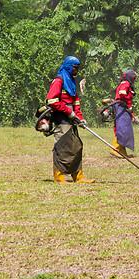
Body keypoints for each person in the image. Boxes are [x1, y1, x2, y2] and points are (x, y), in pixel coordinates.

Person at [45, 56, 93, 184]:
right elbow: (52, 101)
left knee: (77, 145)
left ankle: (78, 176)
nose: (76, 70)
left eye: (78, 68)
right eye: (74, 68)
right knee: (62, 146)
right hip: (61, 118)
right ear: (68, 66)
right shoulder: (59, 80)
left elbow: (75, 101)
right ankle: (59, 175)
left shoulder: (71, 81)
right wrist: (69, 112)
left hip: (71, 118)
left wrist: (80, 118)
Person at [111, 69, 138, 158]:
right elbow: (122, 94)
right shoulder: (125, 84)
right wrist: (128, 105)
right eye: (134, 78)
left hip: (123, 107)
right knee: (122, 129)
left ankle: (122, 152)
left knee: (125, 130)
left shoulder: (127, 84)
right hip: (121, 107)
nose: (134, 80)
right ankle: (115, 148)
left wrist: (132, 113)